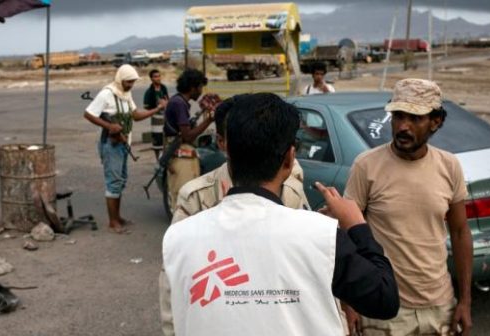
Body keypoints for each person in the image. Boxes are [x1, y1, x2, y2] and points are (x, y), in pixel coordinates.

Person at [161, 93, 399, 336]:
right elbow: (384, 299)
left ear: (227, 149)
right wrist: (357, 224)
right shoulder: (320, 234)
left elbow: (173, 312)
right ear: (289, 158)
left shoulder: (178, 238)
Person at [344, 78, 473, 336]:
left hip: (440, 306)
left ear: (436, 122)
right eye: (398, 116)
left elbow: (460, 232)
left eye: (415, 118)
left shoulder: (449, 166)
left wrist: (465, 301)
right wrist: (348, 303)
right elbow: (346, 235)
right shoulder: (366, 166)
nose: (403, 126)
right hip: (383, 309)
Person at [171, 94, 310, 223]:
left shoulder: (291, 183)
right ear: (222, 142)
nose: (251, 139)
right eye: (239, 135)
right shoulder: (196, 197)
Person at [83, 64, 167, 234]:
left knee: (120, 181)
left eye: (133, 82)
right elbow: (88, 113)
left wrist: (157, 109)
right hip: (110, 144)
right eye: (128, 82)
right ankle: (113, 222)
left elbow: (135, 115)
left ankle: (117, 217)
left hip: (123, 144)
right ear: (120, 79)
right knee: (113, 182)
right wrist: (109, 125)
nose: (131, 85)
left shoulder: (126, 94)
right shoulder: (107, 93)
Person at [162, 69, 217, 212]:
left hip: (175, 153)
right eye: (200, 87)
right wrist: (209, 120)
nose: (200, 91)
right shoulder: (179, 104)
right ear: (193, 88)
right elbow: (188, 136)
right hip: (180, 157)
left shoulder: (177, 101)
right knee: (185, 198)